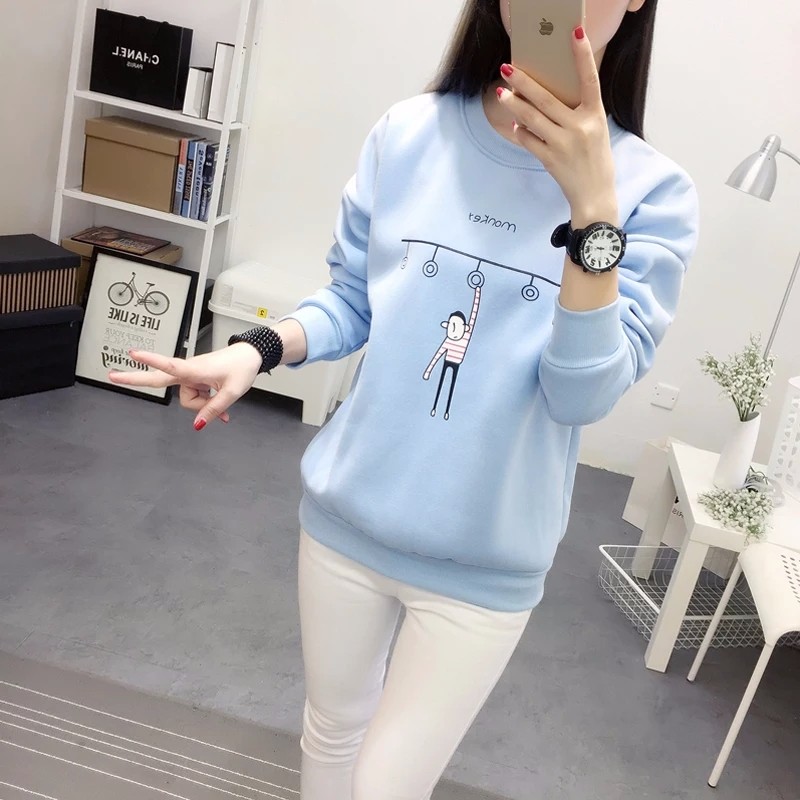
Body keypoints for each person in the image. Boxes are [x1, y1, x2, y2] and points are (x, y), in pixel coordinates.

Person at [110, 0, 699, 797]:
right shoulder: (409, 133)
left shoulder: (655, 194)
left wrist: (594, 211)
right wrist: (255, 349)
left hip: (484, 563)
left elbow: (581, 394)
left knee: (387, 785)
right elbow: (352, 300)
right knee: (330, 730)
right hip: (346, 522)